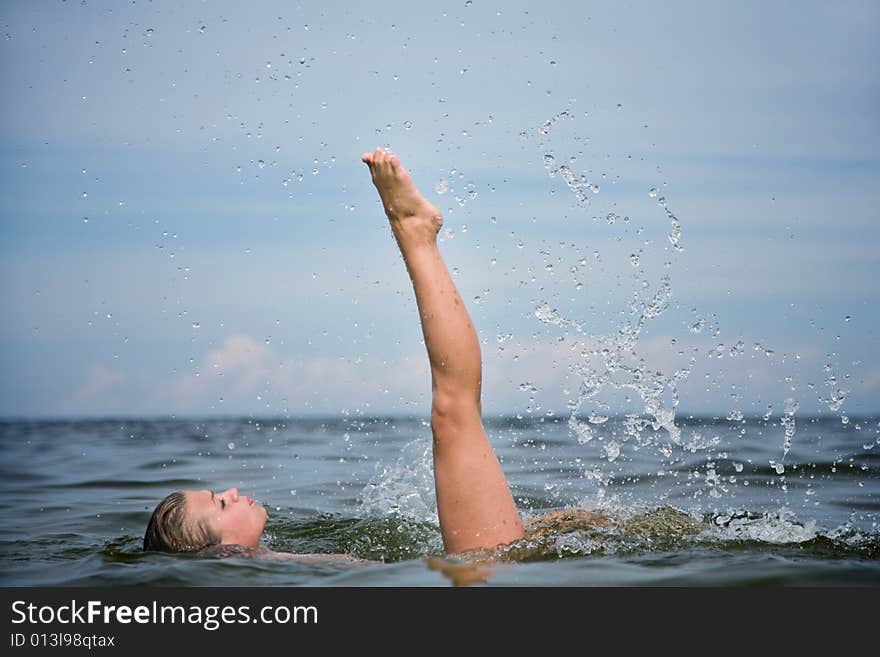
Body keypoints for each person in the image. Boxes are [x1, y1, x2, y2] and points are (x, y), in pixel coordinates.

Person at [143, 148, 607, 560]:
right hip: (481, 576)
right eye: (220, 504)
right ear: (219, 550)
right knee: (452, 410)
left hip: (477, 568)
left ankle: (415, 233)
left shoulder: (269, 564)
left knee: (455, 410)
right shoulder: (251, 566)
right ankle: (413, 234)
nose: (232, 491)